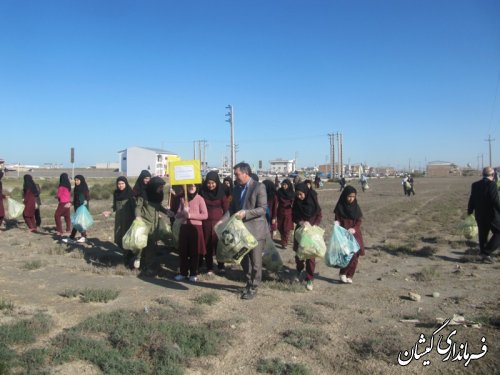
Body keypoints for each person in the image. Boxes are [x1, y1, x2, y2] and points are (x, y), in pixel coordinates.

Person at [221, 162, 267, 299]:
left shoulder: (259, 187)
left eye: (237, 174)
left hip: (256, 232)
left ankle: (254, 286)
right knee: (243, 260)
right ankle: (248, 282)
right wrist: (221, 221)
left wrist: (246, 213)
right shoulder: (236, 189)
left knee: (255, 262)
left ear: (246, 173)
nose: (235, 177)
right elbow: (231, 209)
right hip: (240, 232)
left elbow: (263, 209)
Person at [134, 176, 171, 271]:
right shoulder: (143, 194)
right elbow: (138, 207)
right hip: (144, 222)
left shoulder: (158, 195)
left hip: (154, 223)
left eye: (162, 187)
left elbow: (159, 206)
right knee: (141, 243)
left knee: (151, 245)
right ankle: (137, 258)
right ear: (154, 186)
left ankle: (148, 265)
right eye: (160, 187)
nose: (161, 189)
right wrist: (138, 217)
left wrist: (166, 212)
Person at [174, 184, 208, 282]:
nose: (191, 188)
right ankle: (183, 273)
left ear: (197, 187)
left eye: (193, 186)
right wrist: (182, 212)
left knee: (195, 252)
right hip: (184, 227)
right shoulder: (183, 199)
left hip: (196, 228)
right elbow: (177, 215)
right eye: (189, 186)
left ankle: (193, 273)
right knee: (183, 251)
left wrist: (190, 215)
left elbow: (205, 215)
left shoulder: (200, 199)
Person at [292, 182, 322, 291]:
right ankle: (299, 270)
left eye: (301, 194)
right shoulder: (297, 202)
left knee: (310, 256)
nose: (299, 197)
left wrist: (313, 225)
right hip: (300, 231)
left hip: (311, 232)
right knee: (299, 254)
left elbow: (319, 215)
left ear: (305, 192)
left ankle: (309, 277)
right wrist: (300, 222)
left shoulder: (313, 201)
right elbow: (294, 215)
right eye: (297, 194)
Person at [467, 166, 500, 259]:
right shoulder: (492, 184)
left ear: (483, 174)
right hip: (492, 215)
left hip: (479, 215)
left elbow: (472, 199)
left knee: (483, 235)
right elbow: (495, 201)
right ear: (493, 175)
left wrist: (470, 212)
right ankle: (486, 252)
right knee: (498, 233)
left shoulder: (475, 184)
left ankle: (483, 254)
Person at [334, 185, 365, 283]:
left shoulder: (356, 207)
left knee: (355, 255)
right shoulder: (340, 207)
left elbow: (359, 221)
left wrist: (354, 229)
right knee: (347, 255)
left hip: (355, 235)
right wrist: (337, 223)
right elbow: (337, 219)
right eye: (349, 196)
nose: (351, 199)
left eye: (353, 196)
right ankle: (343, 273)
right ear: (344, 196)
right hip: (344, 235)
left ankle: (350, 275)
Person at [200, 171, 228, 275]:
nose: (210, 185)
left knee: (219, 245)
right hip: (205, 223)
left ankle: (221, 265)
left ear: (217, 182)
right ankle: (209, 267)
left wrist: (225, 222)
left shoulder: (221, 193)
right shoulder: (202, 192)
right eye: (208, 183)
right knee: (207, 245)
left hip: (219, 224)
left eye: (213, 183)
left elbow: (226, 210)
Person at [112, 176, 136, 266]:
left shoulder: (130, 193)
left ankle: (128, 258)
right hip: (119, 220)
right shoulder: (116, 193)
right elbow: (114, 206)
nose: (120, 185)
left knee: (127, 239)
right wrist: (110, 212)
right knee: (118, 238)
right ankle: (128, 255)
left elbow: (134, 208)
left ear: (126, 184)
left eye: (122, 183)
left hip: (129, 220)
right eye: (119, 184)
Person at [63, 175, 90, 243]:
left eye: (78, 180)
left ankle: (74, 237)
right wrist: (71, 203)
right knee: (77, 223)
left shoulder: (84, 188)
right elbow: (75, 200)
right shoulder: (76, 188)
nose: (76, 181)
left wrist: (86, 200)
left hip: (83, 208)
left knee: (78, 223)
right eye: (75, 180)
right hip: (77, 207)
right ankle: (82, 237)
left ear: (81, 180)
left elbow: (88, 197)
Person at [277, 179, 295, 248]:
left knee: (286, 228)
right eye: (283, 184)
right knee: (280, 227)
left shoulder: (292, 193)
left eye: (285, 185)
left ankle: (285, 242)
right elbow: (276, 201)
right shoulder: (279, 192)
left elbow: (294, 203)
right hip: (280, 212)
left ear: (289, 185)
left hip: (288, 212)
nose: (284, 186)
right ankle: (283, 239)